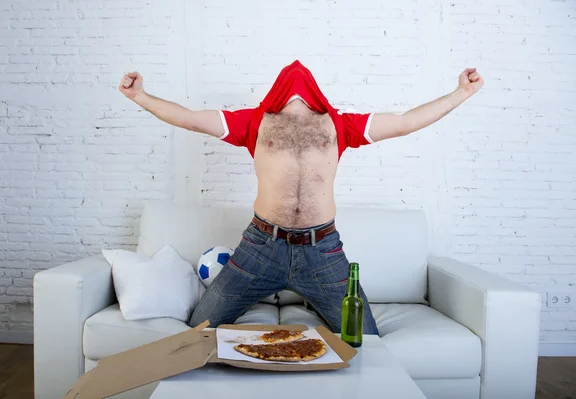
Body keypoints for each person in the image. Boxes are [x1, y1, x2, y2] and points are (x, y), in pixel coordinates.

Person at [119, 60, 483, 334]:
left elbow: (404, 122)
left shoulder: (339, 124)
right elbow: (191, 119)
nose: (296, 84)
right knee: (201, 328)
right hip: (260, 247)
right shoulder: (254, 122)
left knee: (366, 338)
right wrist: (139, 96)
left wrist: (461, 93)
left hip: (322, 251)